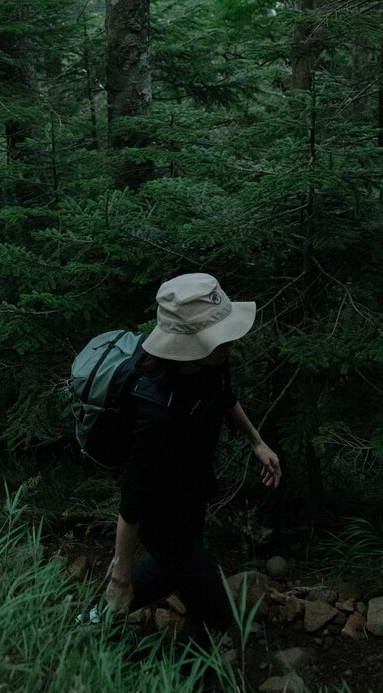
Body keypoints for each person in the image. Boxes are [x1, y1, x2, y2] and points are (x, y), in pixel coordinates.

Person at [105, 272, 281, 651]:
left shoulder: (213, 360)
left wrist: (257, 442)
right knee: (217, 613)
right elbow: (131, 502)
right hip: (159, 516)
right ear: (188, 344)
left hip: (192, 492)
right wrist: (120, 575)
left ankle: (93, 622)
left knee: (173, 576)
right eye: (220, 336)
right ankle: (166, 669)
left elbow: (224, 395)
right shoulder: (155, 410)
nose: (231, 341)